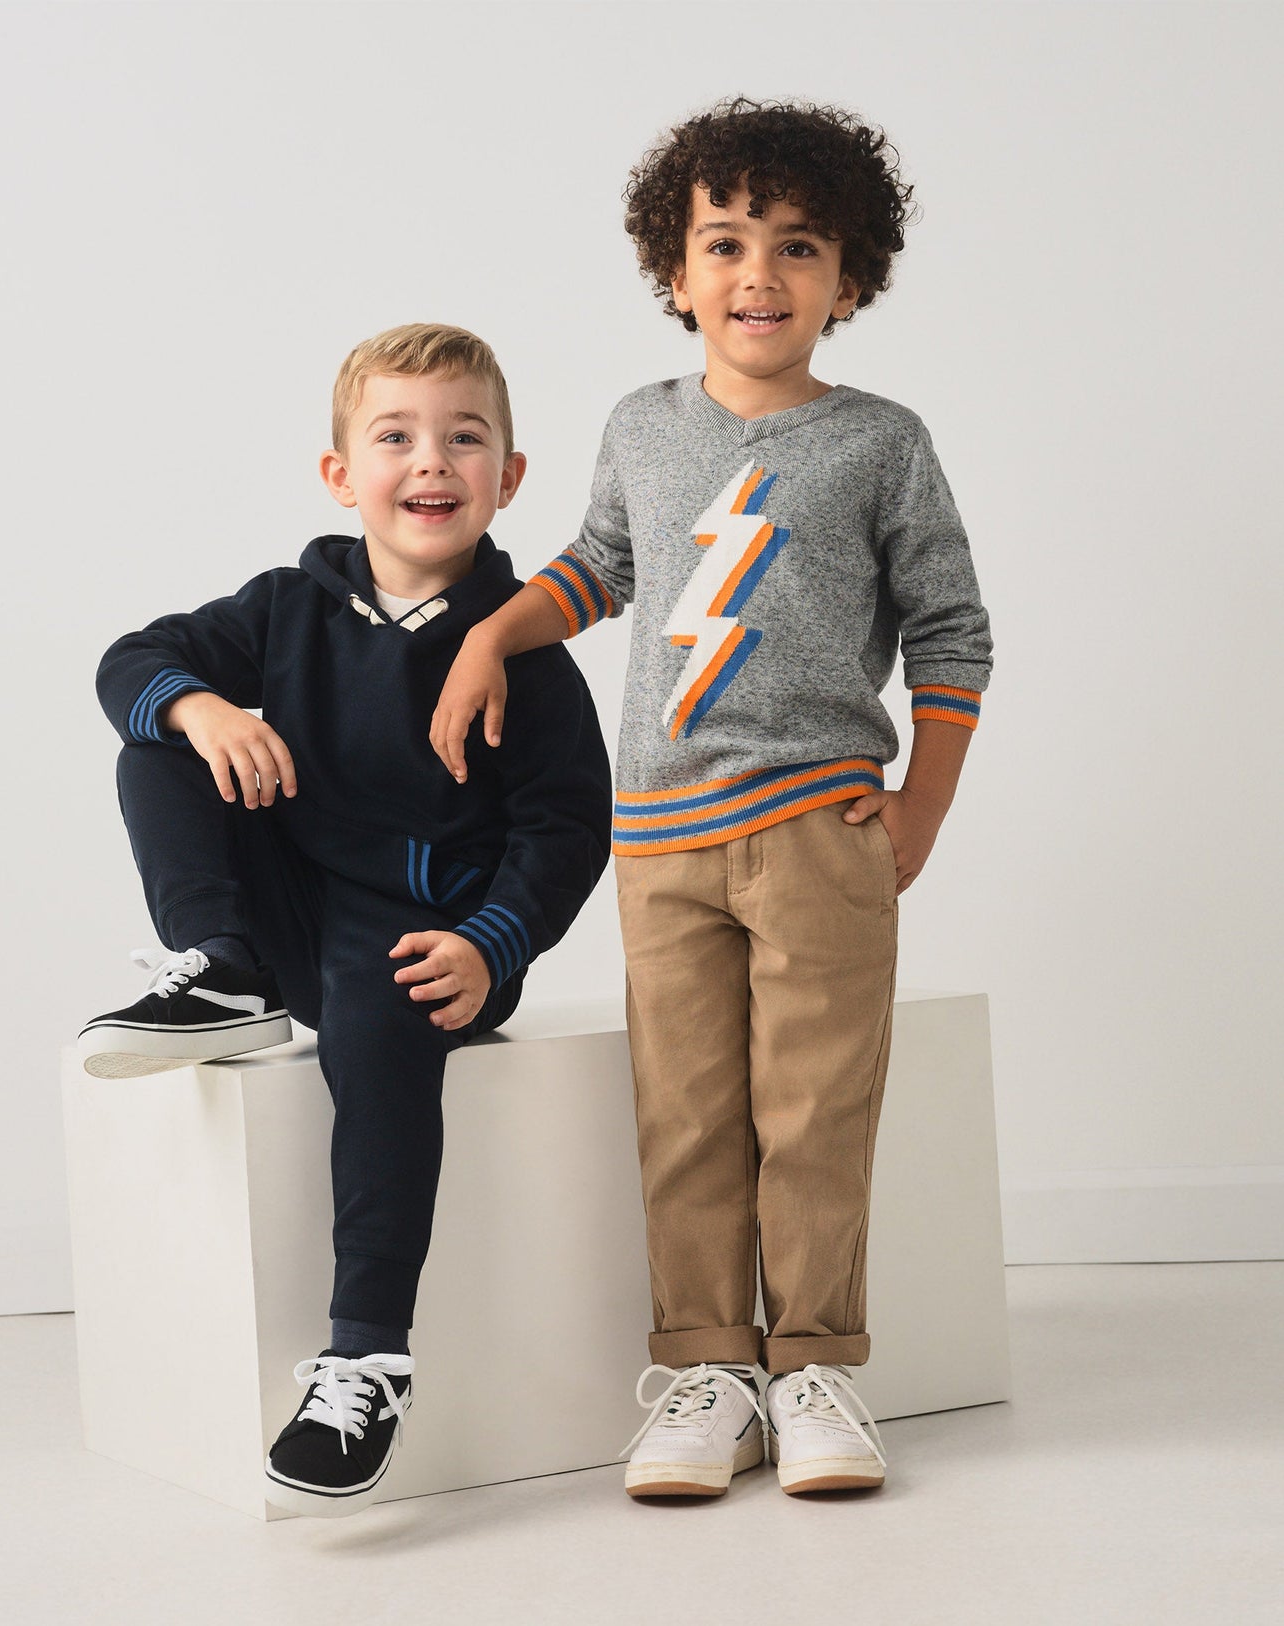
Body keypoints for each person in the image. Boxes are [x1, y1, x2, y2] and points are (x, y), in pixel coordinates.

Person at [429, 98, 994, 1499]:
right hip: (661, 838)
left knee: (813, 1109)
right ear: (673, 272)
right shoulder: (640, 425)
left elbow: (951, 630)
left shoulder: (883, 443)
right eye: (725, 242)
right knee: (684, 1110)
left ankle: (814, 1369)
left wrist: (921, 804)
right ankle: (706, 1370)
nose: (758, 275)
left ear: (848, 280)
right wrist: (495, 633)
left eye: (797, 246)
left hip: (821, 825)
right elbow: (597, 567)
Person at [79, 323, 612, 1516]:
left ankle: (366, 1356)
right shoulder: (287, 608)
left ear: (507, 477)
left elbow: (568, 831)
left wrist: (493, 942)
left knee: (375, 1055)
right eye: (396, 437)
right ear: (340, 475)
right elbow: (133, 658)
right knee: (160, 737)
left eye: (463, 438)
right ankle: (222, 970)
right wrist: (210, 710)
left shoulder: (524, 652)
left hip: (434, 942)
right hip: (293, 914)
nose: (431, 462)